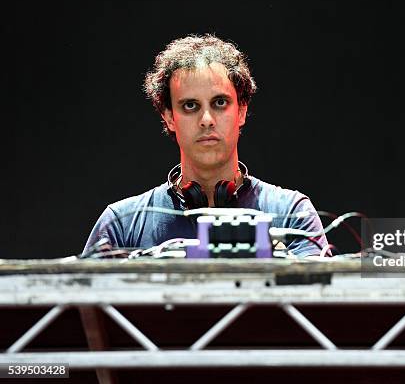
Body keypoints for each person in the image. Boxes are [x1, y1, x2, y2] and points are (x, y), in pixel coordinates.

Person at [83, 34, 327, 258]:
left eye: (220, 102)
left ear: (241, 111)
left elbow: (319, 302)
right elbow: (86, 303)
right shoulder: (121, 225)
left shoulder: (294, 215)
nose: (207, 120)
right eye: (190, 106)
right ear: (169, 117)